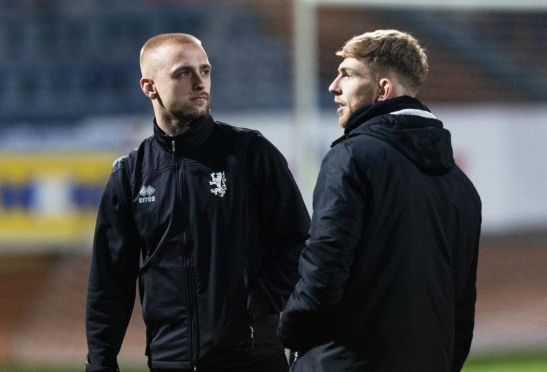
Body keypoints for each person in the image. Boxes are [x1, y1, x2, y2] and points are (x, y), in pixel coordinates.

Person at [86, 33, 310, 372]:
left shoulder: (250, 154)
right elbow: (109, 283)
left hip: (251, 358)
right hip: (169, 360)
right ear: (149, 86)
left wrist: (256, 304)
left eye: (204, 71)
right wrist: (100, 363)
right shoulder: (131, 175)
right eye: (183, 73)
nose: (199, 82)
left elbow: (298, 244)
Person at [277, 29, 482, 372]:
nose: (334, 86)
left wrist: (290, 333)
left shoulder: (351, 157)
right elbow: (462, 303)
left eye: (348, 74)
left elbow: (324, 269)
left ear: (384, 90)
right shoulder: (461, 186)